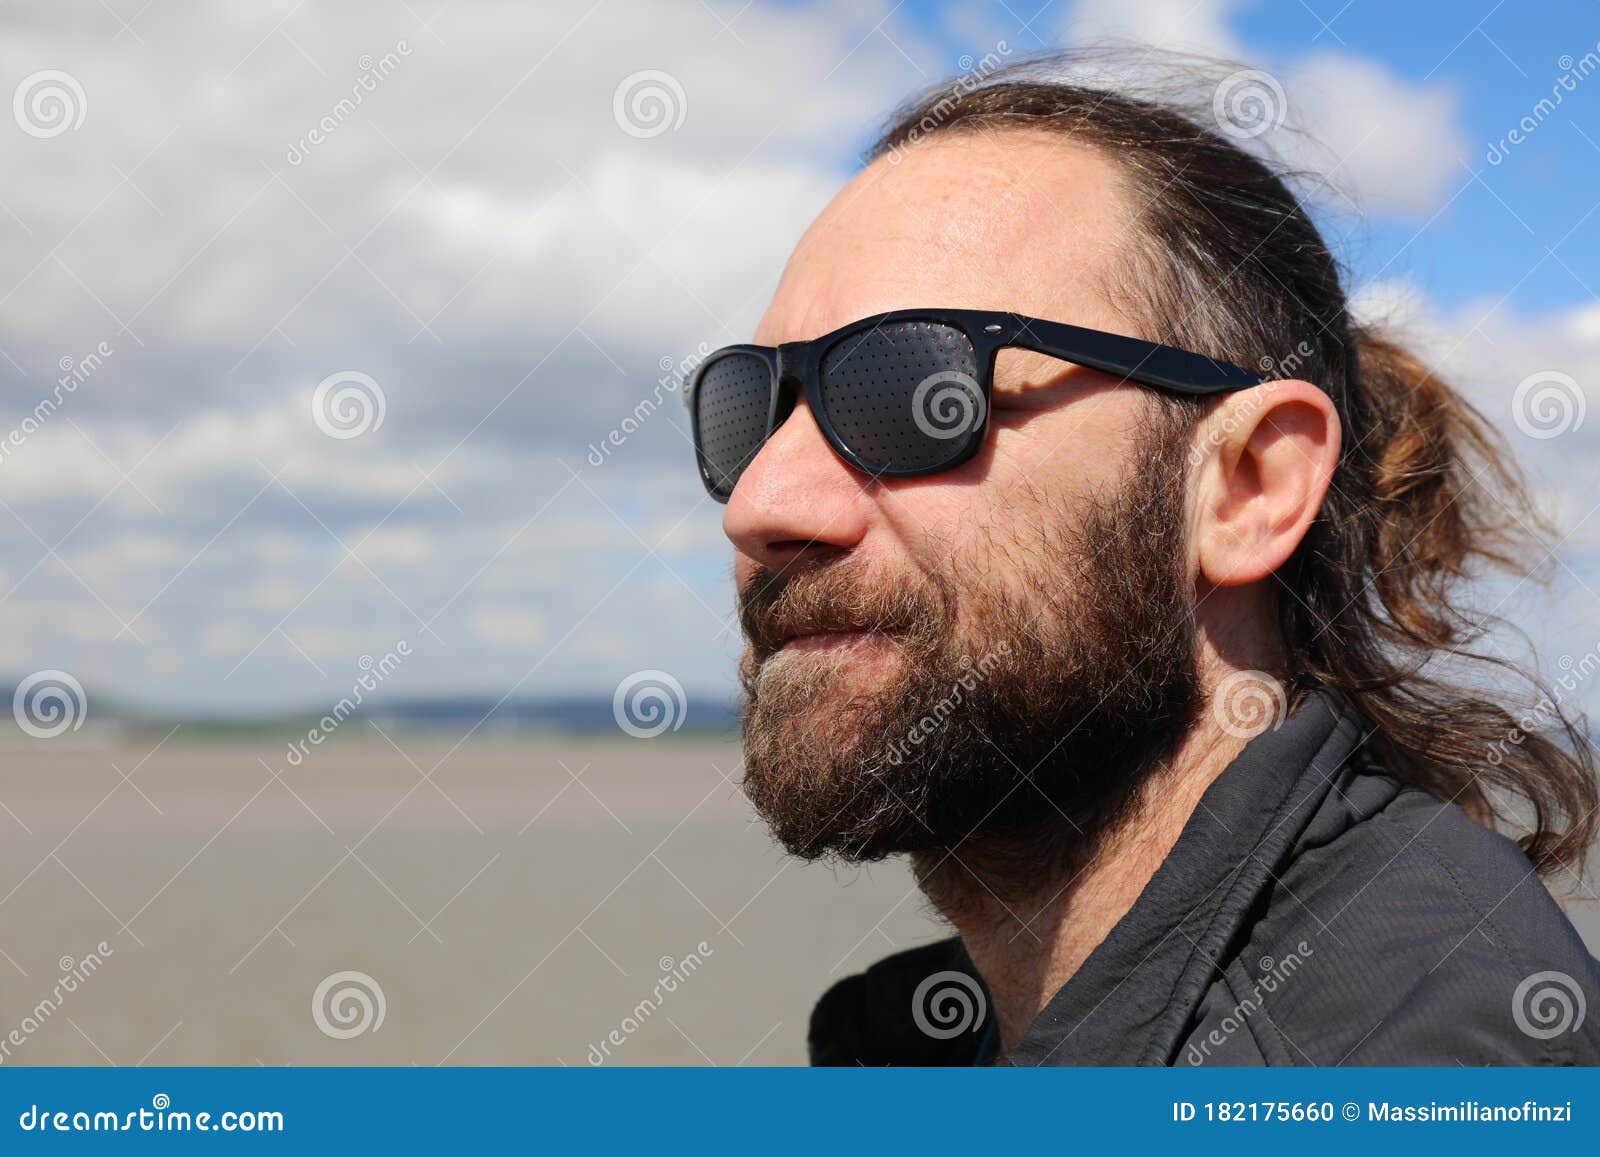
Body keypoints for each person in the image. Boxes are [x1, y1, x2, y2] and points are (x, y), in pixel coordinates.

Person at [685, 52, 1600, 1065]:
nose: (763, 502)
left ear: (1249, 485)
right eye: (751, 411)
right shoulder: (936, 1038)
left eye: (908, 391)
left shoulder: (1412, 1054)